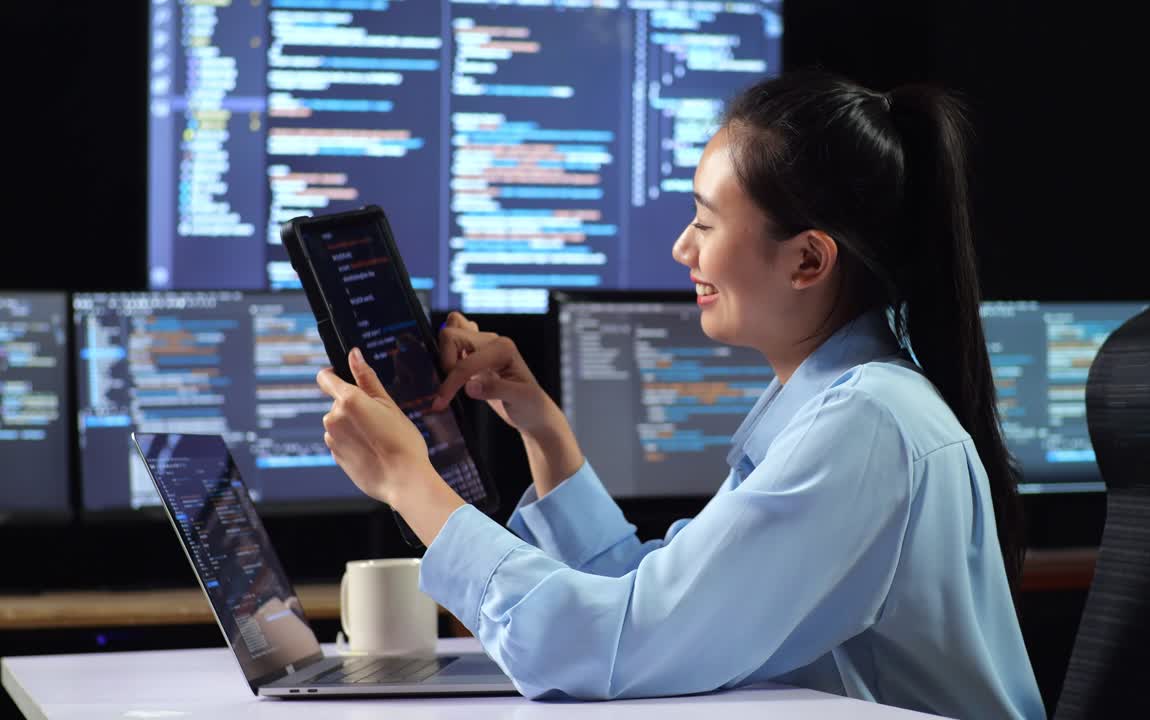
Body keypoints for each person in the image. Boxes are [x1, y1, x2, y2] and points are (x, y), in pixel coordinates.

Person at [315, 68, 1046, 719]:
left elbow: (609, 647)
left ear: (807, 260)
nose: (682, 248)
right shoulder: (842, 404)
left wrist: (411, 484)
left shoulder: (866, 427)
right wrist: (542, 429)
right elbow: (649, 597)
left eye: (704, 220)